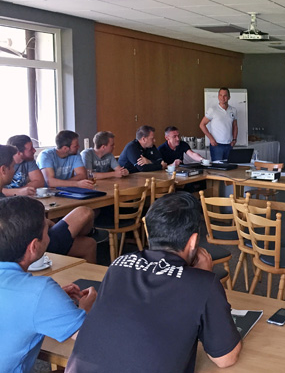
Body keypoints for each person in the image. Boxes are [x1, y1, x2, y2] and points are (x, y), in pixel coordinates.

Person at [66, 192, 242, 372]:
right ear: (193, 241)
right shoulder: (204, 283)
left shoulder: (119, 264)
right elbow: (225, 358)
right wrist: (203, 279)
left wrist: (198, 281)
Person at [0, 196, 96, 372]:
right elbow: (88, 338)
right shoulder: (39, 291)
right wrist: (85, 308)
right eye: (47, 230)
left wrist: (54, 301)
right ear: (34, 246)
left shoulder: (37, 294)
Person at [0, 144, 98, 263]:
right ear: (3, 170)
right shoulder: (6, 203)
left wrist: (49, 224)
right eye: (12, 166)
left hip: (30, 239)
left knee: (88, 244)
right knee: (84, 211)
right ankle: (89, 232)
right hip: (33, 246)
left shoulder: (4, 197)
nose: (14, 170)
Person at [199, 87, 238, 161]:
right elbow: (202, 125)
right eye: (220, 95)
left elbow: (235, 126)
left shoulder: (233, 110)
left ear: (229, 97)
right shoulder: (213, 110)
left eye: (225, 96)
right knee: (217, 168)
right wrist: (211, 139)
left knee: (229, 167)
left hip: (229, 144)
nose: (222, 98)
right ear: (218, 96)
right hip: (217, 145)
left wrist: (234, 139)